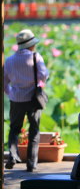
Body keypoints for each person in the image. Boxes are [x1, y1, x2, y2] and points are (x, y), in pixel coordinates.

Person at [4, 29, 49, 172]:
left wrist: (11, 93)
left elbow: (4, 81)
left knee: (14, 129)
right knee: (34, 130)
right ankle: (31, 164)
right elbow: (43, 75)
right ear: (31, 45)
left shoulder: (9, 60)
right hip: (33, 99)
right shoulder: (36, 57)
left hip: (16, 99)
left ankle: (12, 155)